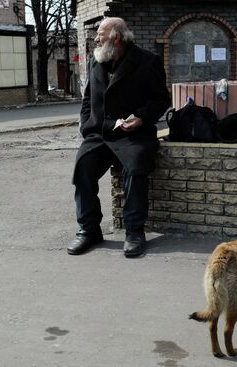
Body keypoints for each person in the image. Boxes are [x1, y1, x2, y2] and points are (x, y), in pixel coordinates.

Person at [68, 17, 171, 257]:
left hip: (133, 134)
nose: (96, 38)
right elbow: (87, 100)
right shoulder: (97, 60)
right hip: (100, 133)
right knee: (83, 166)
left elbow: (161, 100)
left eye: (100, 34)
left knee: (135, 169)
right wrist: (87, 126)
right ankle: (89, 229)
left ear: (116, 37)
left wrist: (142, 118)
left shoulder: (148, 61)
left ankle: (135, 231)